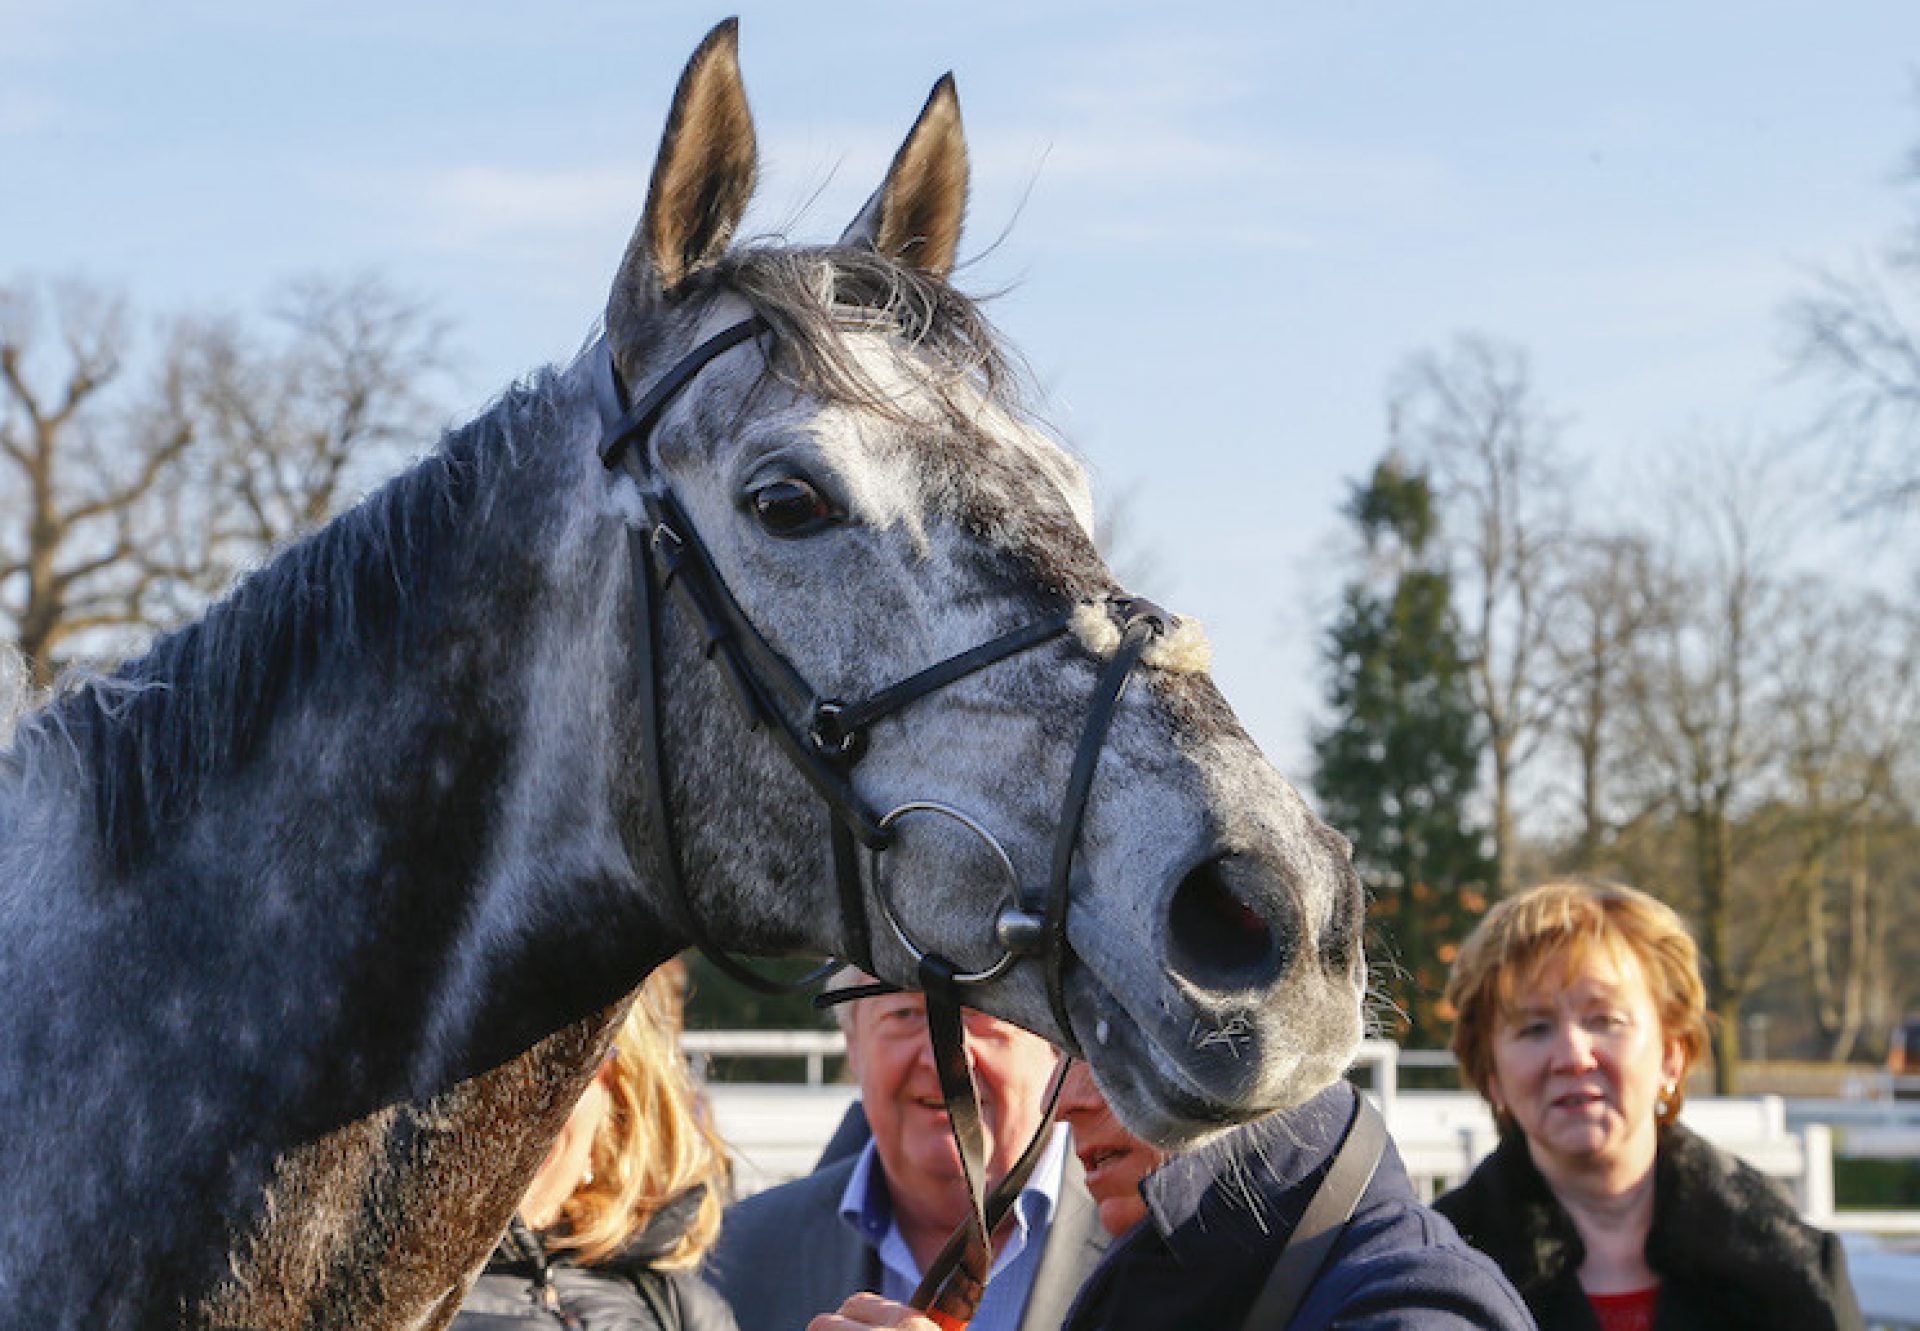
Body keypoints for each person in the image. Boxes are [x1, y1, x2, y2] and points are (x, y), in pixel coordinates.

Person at [810, 1058, 1531, 1331]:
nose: (1063, 1102)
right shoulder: (1171, 1284)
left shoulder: (1417, 1307)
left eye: (1099, 1047)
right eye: (1060, 1052)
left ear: (1251, 1051)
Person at [1435, 878, 1863, 1331]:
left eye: (1605, 1020)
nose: (1574, 1056)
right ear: (1490, 1073)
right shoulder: (1436, 1278)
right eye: (1535, 1028)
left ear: (1672, 1055)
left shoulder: (1789, 1263)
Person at [708, 971, 1108, 1331]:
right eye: (904, 1014)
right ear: (853, 1042)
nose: (942, 1059)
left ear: (1054, 1040)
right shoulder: (732, 1258)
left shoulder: (1154, 1243)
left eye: (979, 1012)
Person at [455, 963, 739, 1331]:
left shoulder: (675, 1307)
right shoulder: (384, 1303)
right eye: (474, 1065)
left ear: (617, 1096)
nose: (513, 1104)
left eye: (556, 1060)